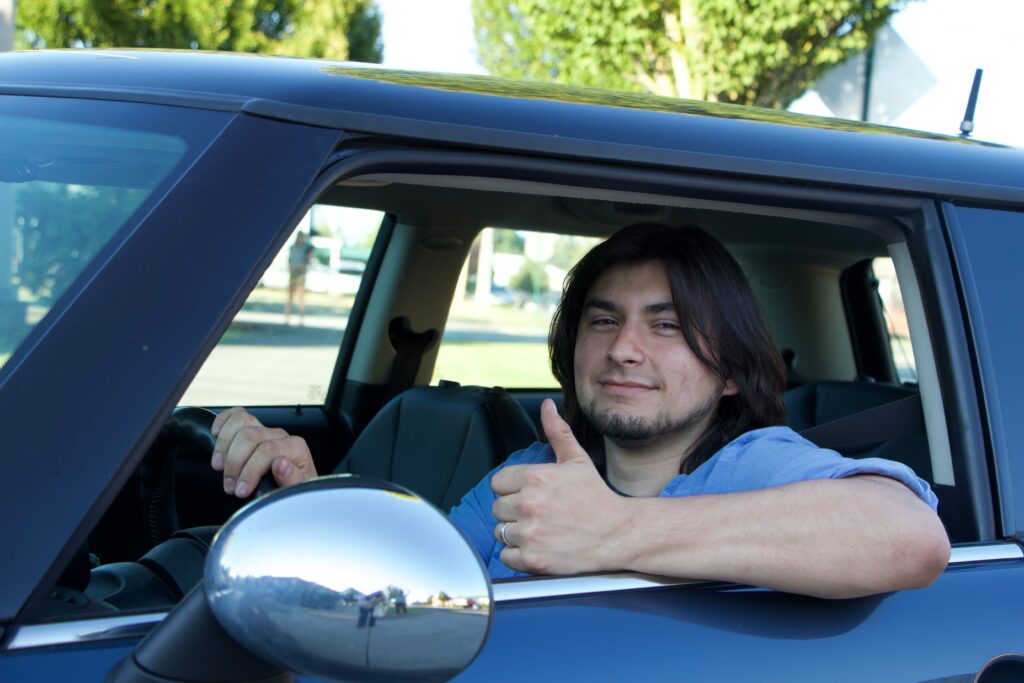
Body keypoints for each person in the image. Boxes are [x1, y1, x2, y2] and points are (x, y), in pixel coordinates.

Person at [210, 223, 950, 599]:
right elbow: (413, 583)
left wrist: (617, 531)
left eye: (666, 325)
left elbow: (911, 535)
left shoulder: (757, 465)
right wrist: (307, 493)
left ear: (729, 372)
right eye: (603, 320)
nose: (624, 348)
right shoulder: (535, 472)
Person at [284, 231, 313, 325]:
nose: (302, 239)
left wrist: (303, 266)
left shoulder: (307, 248)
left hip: (301, 273)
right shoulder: (293, 247)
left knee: (301, 295)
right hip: (293, 272)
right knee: (290, 295)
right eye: (301, 237)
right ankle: (287, 317)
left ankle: (301, 318)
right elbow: (289, 259)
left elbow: (309, 260)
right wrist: (291, 266)